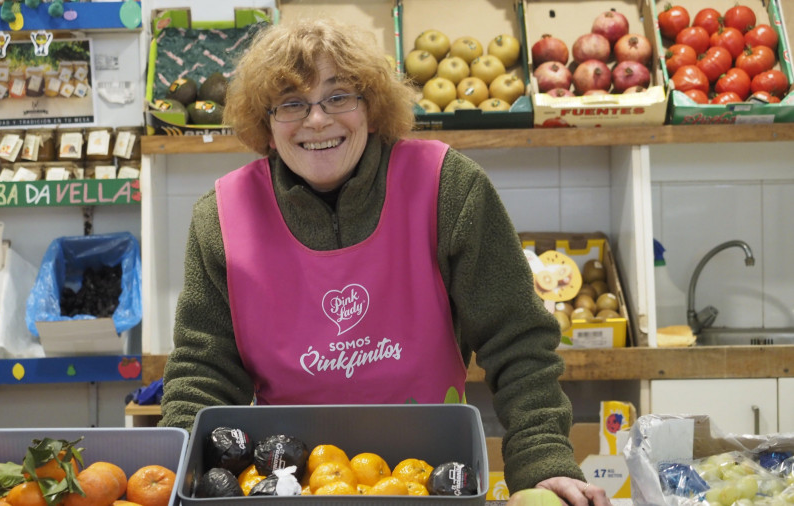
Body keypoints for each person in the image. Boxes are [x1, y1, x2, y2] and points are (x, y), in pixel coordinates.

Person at [159, 17, 610, 506]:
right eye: (291, 103)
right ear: (266, 125)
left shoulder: (448, 187)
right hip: (291, 486)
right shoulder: (222, 217)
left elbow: (517, 341)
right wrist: (172, 478)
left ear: (371, 108)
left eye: (339, 96)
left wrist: (542, 463)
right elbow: (203, 372)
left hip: (436, 480)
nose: (317, 120)